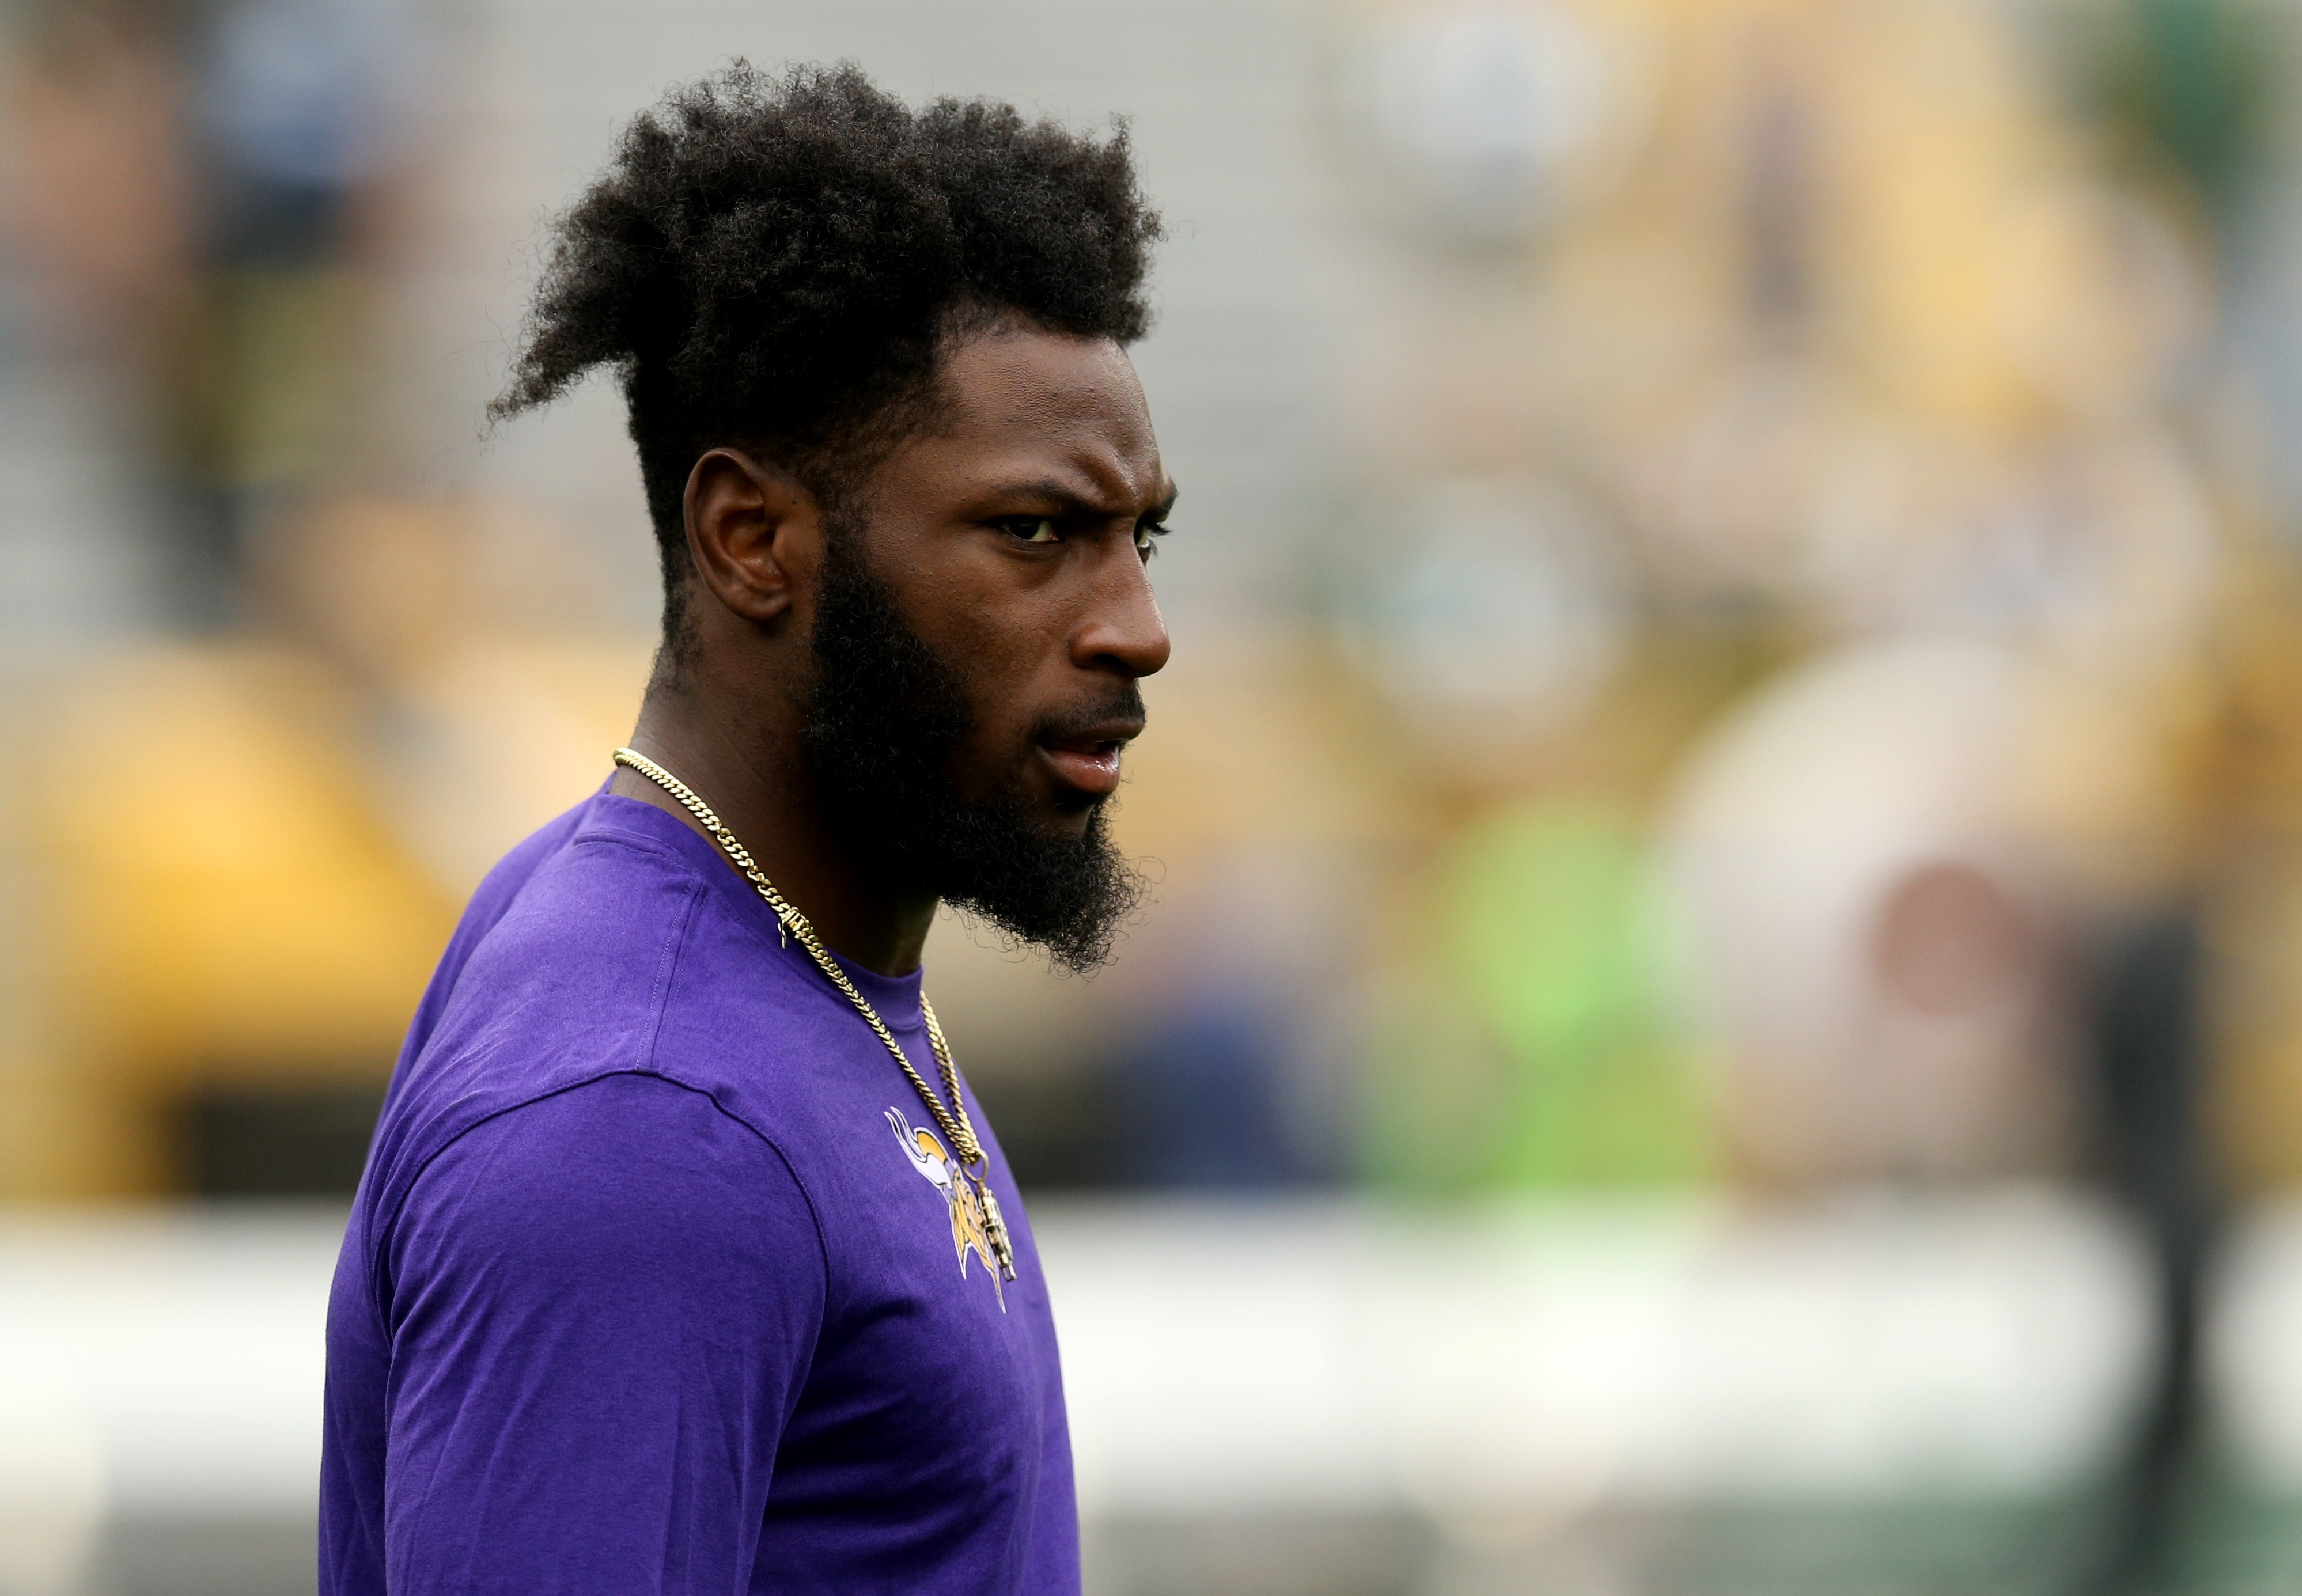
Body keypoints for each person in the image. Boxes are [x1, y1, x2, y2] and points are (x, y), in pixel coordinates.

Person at [319, 62, 1171, 1594]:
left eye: (1137, 537)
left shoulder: (791, 959)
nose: (1135, 627)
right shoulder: (641, 1115)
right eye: (1035, 532)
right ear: (752, 538)